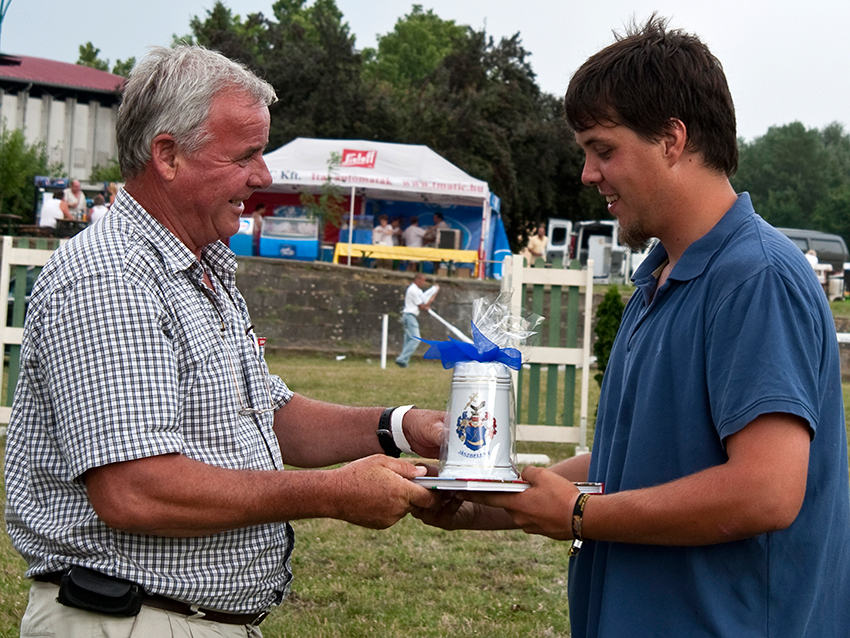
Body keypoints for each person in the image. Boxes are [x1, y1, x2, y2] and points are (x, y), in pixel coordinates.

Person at [417, 16, 850, 638]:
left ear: (673, 139)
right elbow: (630, 464)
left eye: (604, 148)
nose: (589, 174)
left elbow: (766, 489)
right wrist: (482, 496)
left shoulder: (755, 278)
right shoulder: (660, 281)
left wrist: (580, 514)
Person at [4, 44, 442, 637]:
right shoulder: (111, 277)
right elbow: (135, 491)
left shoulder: (197, 264)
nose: (262, 176)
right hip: (129, 622)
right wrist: (332, 494)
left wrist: (400, 425)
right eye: (246, 155)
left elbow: (270, 412)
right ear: (168, 155)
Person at [394, 273, 439, 368]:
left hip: (408, 316)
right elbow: (421, 306)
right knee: (415, 339)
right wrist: (428, 304)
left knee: (408, 340)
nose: (423, 283)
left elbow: (424, 300)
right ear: (417, 279)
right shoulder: (413, 290)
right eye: (422, 280)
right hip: (410, 316)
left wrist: (432, 295)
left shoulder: (417, 290)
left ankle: (404, 362)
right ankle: (401, 359)